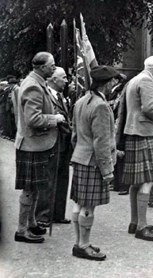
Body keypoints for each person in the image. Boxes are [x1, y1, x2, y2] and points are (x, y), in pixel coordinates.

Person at [70, 65, 120, 260]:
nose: (114, 84)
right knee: (89, 205)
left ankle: (79, 242)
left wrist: (79, 152)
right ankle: (84, 245)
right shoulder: (101, 105)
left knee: (79, 203)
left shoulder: (81, 101)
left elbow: (75, 135)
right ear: (106, 84)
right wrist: (107, 170)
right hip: (93, 161)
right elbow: (102, 141)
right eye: (112, 81)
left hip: (81, 157)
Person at [14, 52, 64, 243]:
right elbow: (33, 119)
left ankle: (31, 222)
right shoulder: (33, 86)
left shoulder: (37, 82)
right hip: (32, 145)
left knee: (35, 188)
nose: (54, 67)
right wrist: (55, 119)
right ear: (41, 67)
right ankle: (21, 229)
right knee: (29, 189)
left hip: (36, 144)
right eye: (51, 65)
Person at [120, 55, 153, 241]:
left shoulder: (135, 79)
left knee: (136, 181)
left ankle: (134, 222)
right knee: (147, 180)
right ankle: (141, 226)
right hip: (145, 133)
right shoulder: (147, 81)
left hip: (134, 132)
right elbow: (149, 108)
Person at [46, 67, 72, 224]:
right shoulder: (48, 95)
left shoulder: (61, 96)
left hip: (64, 143)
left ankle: (58, 213)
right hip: (53, 142)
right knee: (51, 179)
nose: (66, 81)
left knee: (63, 178)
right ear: (54, 79)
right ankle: (46, 215)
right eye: (64, 78)